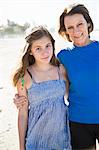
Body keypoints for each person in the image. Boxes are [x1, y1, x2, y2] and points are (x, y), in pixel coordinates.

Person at [14, 4, 99, 150]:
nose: (76, 31)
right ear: (65, 31)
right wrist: (20, 98)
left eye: (80, 24)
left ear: (89, 24)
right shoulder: (63, 57)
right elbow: (50, 83)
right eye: (70, 27)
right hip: (78, 123)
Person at [13, 26, 71, 150]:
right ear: (30, 51)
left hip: (61, 139)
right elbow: (22, 114)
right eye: (38, 48)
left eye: (47, 46)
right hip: (36, 140)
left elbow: (70, 96)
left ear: (53, 45)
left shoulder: (61, 70)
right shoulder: (24, 77)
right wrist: (21, 146)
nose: (45, 52)